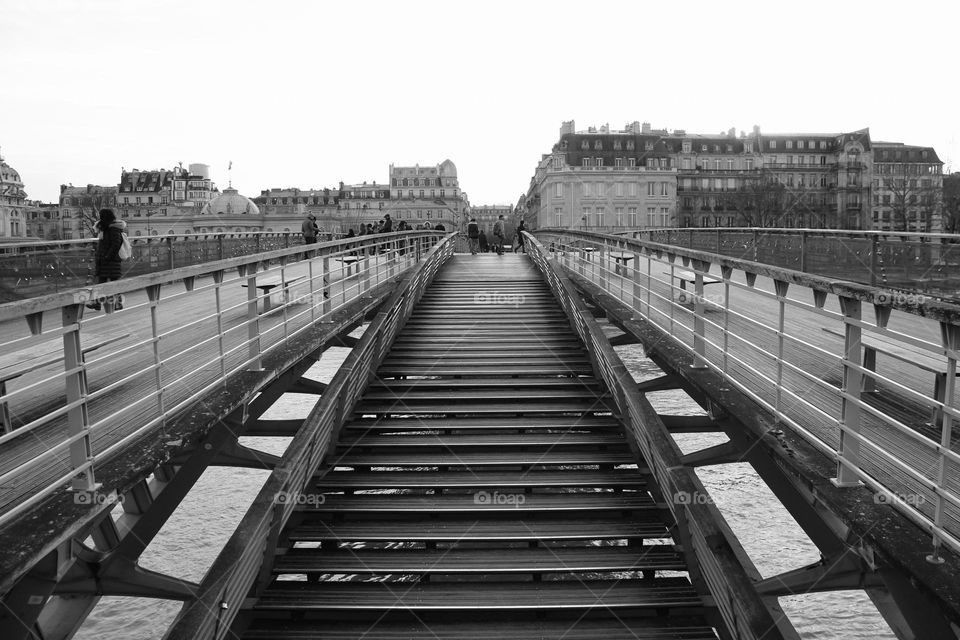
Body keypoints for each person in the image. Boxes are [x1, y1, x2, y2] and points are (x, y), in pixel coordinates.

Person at [86, 208, 125, 311]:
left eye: (101, 216)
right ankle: (97, 303)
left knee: (112, 282)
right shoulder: (106, 228)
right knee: (102, 282)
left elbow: (116, 244)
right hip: (104, 260)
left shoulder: (113, 229)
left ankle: (117, 303)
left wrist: (108, 256)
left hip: (110, 261)